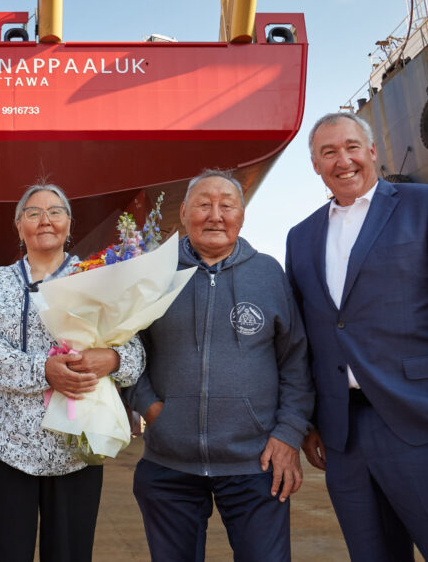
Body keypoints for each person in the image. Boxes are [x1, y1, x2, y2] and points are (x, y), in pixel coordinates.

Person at [285, 112, 428, 562]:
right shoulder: (300, 238)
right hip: (345, 438)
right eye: (328, 152)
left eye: (352, 147)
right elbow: (305, 339)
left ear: (373, 151)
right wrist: (312, 420)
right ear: (315, 165)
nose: (344, 160)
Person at [122, 169, 313, 562]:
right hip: (169, 466)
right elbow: (126, 350)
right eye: (203, 204)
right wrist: (152, 408)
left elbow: (296, 361)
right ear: (183, 213)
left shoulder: (269, 274)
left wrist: (289, 433)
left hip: (256, 465)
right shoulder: (153, 275)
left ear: (241, 216)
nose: (215, 215)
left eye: (226, 205)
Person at [0, 183, 145, 562]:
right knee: (5, 552)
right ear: (18, 225)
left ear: (69, 223)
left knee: (70, 553)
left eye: (55, 211)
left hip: (76, 445)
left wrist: (110, 359)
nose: (45, 219)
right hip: (5, 445)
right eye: (33, 212)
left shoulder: (97, 276)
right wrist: (43, 371)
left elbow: (135, 354)